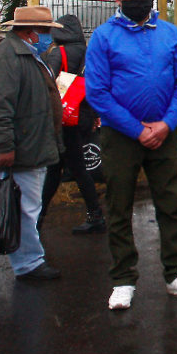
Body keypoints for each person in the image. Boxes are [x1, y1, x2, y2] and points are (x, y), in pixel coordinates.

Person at [85, 0, 177, 310]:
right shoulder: (103, 37)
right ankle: (123, 279)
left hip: (164, 134)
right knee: (119, 206)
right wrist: (138, 130)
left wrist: (166, 124)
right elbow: (98, 92)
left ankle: (176, 273)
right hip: (121, 136)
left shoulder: (168, 33)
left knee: (170, 203)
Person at [0, 5, 65, 280]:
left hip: (30, 146)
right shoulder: (7, 59)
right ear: (31, 32)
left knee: (19, 206)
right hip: (22, 148)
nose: (50, 38)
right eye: (46, 32)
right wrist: (4, 147)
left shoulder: (26, 56)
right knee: (26, 208)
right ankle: (28, 263)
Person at [39, 14, 106, 235]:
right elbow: (96, 85)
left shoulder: (59, 53)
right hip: (84, 115)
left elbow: (48, 84)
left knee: (72, 167)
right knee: (58, 167)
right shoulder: (89, 53)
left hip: (65, 117)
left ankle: (94, 215)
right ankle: (39, 216)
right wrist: (95, 113)